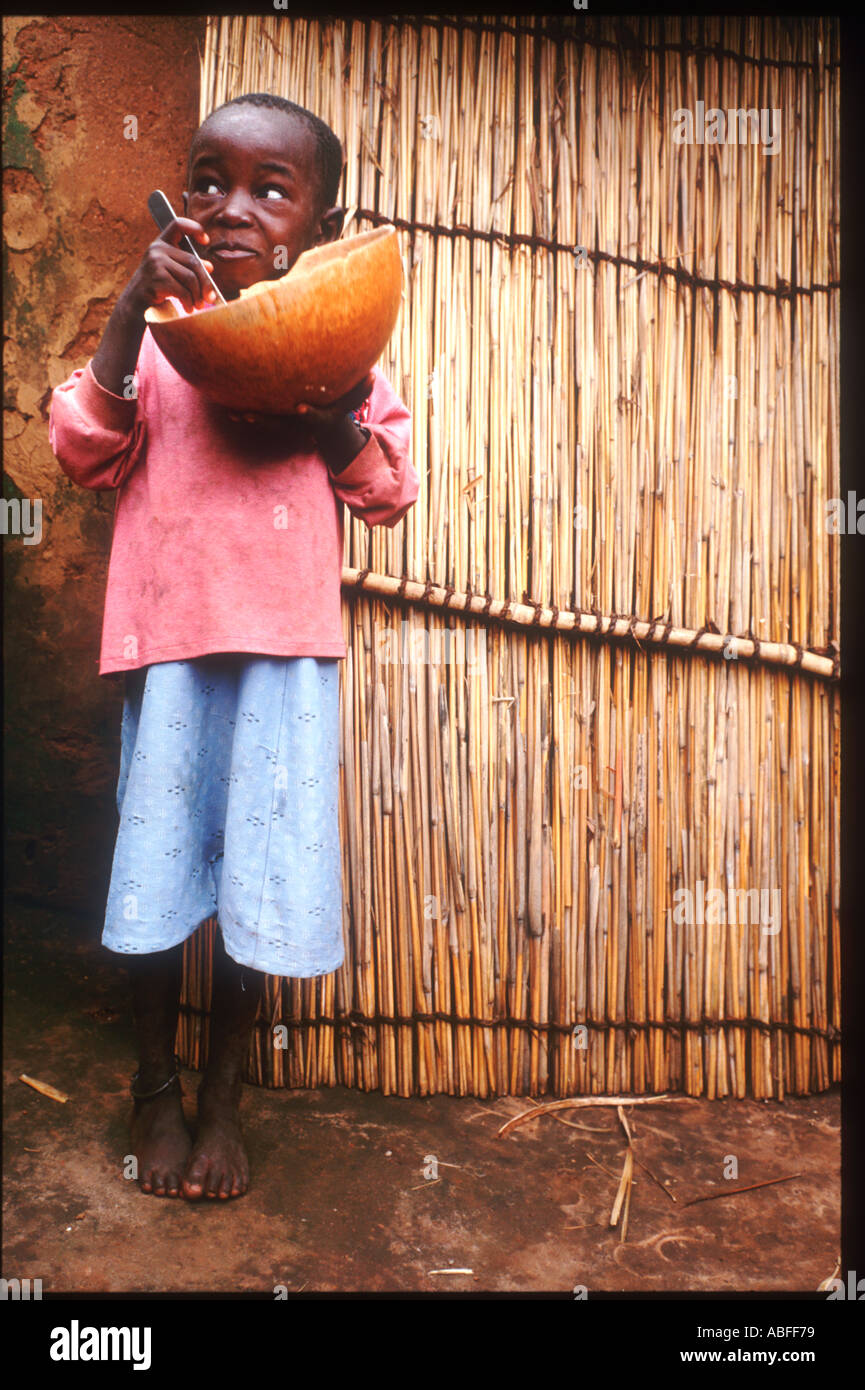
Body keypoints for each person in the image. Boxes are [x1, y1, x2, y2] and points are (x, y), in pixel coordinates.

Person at [48, 93, 419, 1201]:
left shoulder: (341, 348)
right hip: (171, 654)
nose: (233, 207)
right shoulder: (160, 346)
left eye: (271, 189)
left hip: (283, 659)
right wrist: (129, 303)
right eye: (208, 181)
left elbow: (390, 486)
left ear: (321, 220)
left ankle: (222, 1095)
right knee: (159, 879)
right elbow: (81, 444)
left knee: (262, 877)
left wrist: (324, 404)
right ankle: (152, 1088)